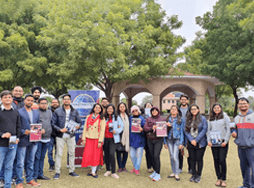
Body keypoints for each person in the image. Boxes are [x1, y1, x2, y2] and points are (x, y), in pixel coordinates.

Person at [52, 94, 81, 180]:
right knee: (59, 154)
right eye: (65, 99)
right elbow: (53, 123)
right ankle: (57, 172)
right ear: (63, 101)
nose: (66, 101)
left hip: (71, 135)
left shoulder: (75, 111)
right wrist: (60, 130)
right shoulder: (57, 111)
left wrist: (78, 126)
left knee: (72, 153)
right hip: (60, 135)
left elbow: (79, 122)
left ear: (70, 101)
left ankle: (72, 171)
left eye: (68, 99)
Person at [16, 94, 41, 188]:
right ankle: (19, 181)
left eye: (32, 100)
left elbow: (37, 124)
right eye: (28, 100)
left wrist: (40, 130)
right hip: (23, 140)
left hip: (34, 140)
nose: (30, 102)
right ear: (24, 101)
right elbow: (16, 126)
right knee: (20, 163)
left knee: (31, 161)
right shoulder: (18, 112)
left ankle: (30, 179)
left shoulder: (36, 113)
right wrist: (22, 131)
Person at [231, 97, 254, 188]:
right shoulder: (237, 118)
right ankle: (246, 185)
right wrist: (234, 133)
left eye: (244, 103)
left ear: (248, 104)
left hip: (252, 147)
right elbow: (234, 129)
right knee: (244, 168)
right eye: (240, 104)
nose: (242, 105)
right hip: (241, 146)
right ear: (238, 105)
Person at [0, 91, 20, 188]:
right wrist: (2, 134)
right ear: (1, 99)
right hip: (1, 144)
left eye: (9, 97)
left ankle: (7, 185)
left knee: (9, 166)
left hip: (13, 144)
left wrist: (18, 138)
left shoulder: (16, 111)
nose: (7, 99)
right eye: (5, 97)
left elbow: (18, 126)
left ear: (12, 99)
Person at [207, 103, 231, 187]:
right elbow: (208, 130)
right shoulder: (210, 118)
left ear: (221, 109)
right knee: (216, 160)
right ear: (212, 109)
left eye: (218, 108)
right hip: (214, 143)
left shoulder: (225, 117)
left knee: (222, 160)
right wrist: (208, 140)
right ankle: (218, 178)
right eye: (215, 108)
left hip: (223, 142)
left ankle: (223, 179)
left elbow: (228, 129)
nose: (216, 109)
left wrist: (226, 141)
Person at [184, 104, 207, 183]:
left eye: (195, 109)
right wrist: (191, 140)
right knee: (192, 159)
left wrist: (196, 140)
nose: (193, 111)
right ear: (190, 111)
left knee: (199, 159)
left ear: (198, 110)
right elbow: (186, 131)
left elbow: (204, 130)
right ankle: (193, 174)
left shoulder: (203, 119)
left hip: (200, 142)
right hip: (190, 142)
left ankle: (198, 175)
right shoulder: (188, 119)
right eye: (192, 109)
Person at [81, 103, 106, 178]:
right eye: (96, 107)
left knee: (96, 155)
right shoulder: (89, 116)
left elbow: (102, 130)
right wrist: (83, 139)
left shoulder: (102, 118)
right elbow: (85, 128)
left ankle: (93, 171)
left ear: (101, 110)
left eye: (99, 108)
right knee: (89, 155)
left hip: (96, 139)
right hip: (88, 138)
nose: (97, 109)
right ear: (93, 108)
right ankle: (91, 170)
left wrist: (100, 141)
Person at [144, 107, 166, 181]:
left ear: (158, 111)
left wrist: (168, 126)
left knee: (156, 156)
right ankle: (155, 171)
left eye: (155, 110)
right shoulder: (148, 119)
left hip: (158, 140)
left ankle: (158, 174)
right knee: (152, 156)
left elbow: (166, 130)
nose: (154, 112)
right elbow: (145, 128)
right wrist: (151, 127)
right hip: (150, 139)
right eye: (152, 111)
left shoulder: (162, 119)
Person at [164, 105, 184, 181]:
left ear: (177, 111)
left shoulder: (180, 120)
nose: (173, 111)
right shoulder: (167, 120)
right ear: (170, 110)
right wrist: (164, 142)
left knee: (175, 156)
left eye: (175, 109)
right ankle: (173, 172)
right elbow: (163, 132)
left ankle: (176, 173)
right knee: (171, 156)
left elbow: (182, 132)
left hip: (177, 140)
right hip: (169, 140)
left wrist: (181, 143)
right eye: (172, 109)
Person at [103, 104, 124, 179]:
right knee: (106, 155)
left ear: (113, 109)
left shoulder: (116, 117)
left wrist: (117, 131)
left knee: (112, 154)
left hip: (113, 139)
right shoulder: (104, 117)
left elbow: (122, 126)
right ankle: (108, 170)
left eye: (111, 109)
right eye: (108, 108)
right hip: (105, 138)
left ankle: (113, 172)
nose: (109, 110)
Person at [34, 98, 52, 181]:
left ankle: (40, 174)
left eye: (45, 103)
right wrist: (39, 131)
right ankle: (34, 175)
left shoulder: (49, 112)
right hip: (38, 138)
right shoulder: (35, 112)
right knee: (36, 157)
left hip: (47, 138)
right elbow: (33, 125)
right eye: (42, 103)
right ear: (38, 104)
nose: (44, 105)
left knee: (42, 157)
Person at [129, 105, 146, 175]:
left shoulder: (142, 119)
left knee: (139, 155)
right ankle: (135, 166)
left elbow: (145, 129)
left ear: (138, 111)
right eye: (133, 111)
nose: (135, 112)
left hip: (140, 140)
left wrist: (142, 130)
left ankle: (136, 169)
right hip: (132, 139)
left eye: (136, 110)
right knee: (132, 155)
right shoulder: (130, 118)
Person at [178, 94, 191, 174]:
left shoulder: (190, 109)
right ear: (180, 101)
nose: (183, 101)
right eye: (182, 99)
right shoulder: (177, 109)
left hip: (188, 131)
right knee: (180, 150)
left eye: (185, 99)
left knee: (189, 150)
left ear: (187, 101)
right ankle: (179, 168)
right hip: (179, 131)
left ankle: (190, 168)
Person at [116, 102, 130, 173]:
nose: (122, 108)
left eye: (123, 106)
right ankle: (120, 167)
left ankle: (124, 166)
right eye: (120, 106)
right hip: (119, 136)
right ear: (118, 108)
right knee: (118, 152)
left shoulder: (128, 116)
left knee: (125, 152)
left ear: (125, 107)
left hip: (127, 136)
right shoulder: (116, 116)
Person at [48, 98, 60, 171]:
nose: (54, 104)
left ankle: (57, 164)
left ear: (58, 103)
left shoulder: (62, 111)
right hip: (50, 134)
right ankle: (51, 165)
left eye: (56, 102)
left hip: (59, 134)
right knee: (50, 151)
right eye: (53, 102)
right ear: (51, 103)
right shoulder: (48, 111)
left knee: (58, 151)